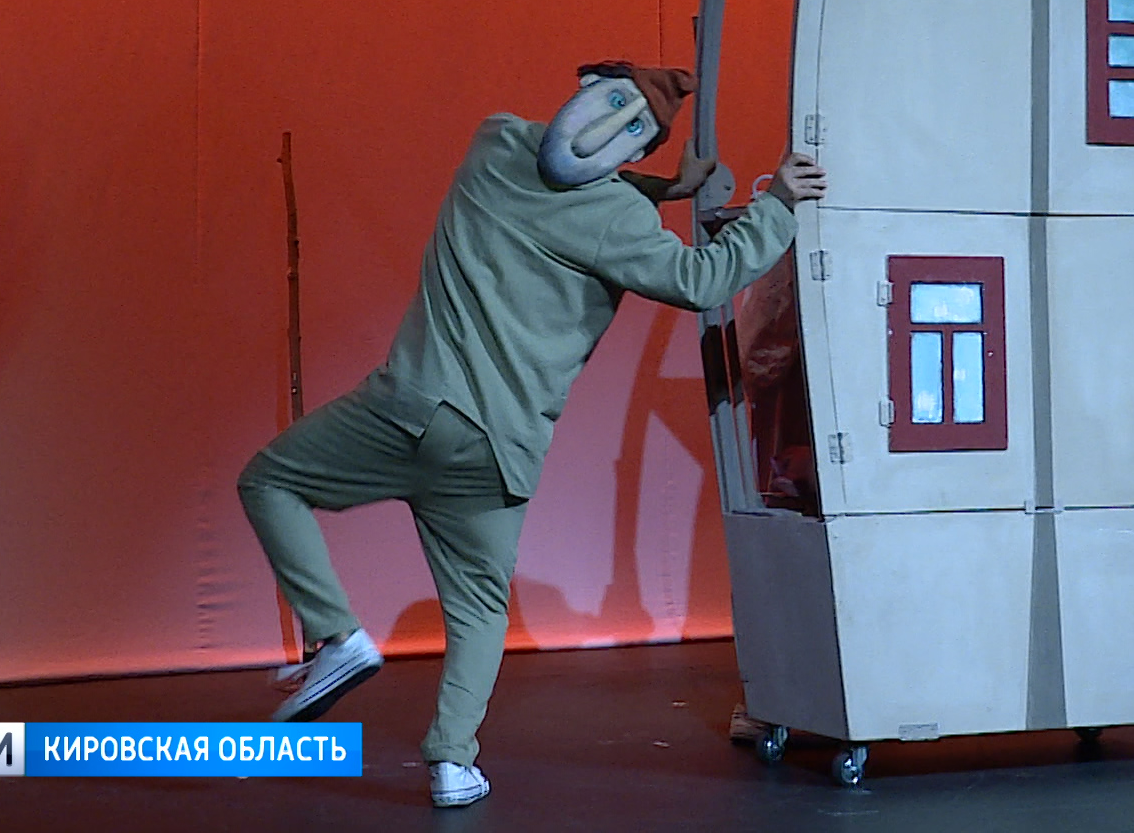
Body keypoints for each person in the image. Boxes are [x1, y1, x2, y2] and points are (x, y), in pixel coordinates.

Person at [237, 60, 826, 807]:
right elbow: (701, 277)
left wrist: (661, 189)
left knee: (270, 479)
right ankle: (452, 764)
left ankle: (336, 635)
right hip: (497, 451)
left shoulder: (494, 142)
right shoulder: (619, 221)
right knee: (480, 609)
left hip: (413, 406)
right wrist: (775, 203)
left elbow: (560, 171)